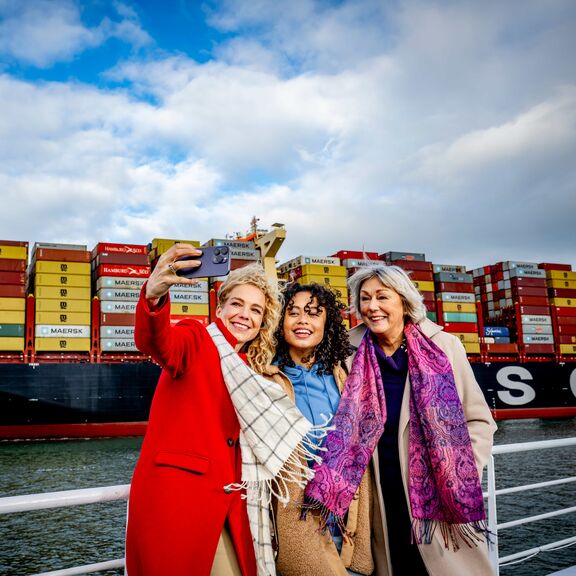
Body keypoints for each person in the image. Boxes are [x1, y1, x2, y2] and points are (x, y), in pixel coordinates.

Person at [125, 245, 322, 576]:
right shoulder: (196, 338)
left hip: (233, 506)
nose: (244, 314)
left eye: (256, 310)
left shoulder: (255, 370)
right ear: (220, 308)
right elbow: (157, 342)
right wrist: (153, 297)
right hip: (178, 503)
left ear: (263, 322)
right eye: (237, 304)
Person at [304, 265, 497, 576]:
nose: (372, 307)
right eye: (364, 298)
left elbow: (479, 420)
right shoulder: (346, 350)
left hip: (438, 498)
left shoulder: (444, 346)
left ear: (404, 300)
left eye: (382, 297)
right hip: (378, 498)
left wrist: (459, 470)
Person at [272, 283, 374, 576]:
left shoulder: (343, 376)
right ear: (280, 322)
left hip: (347, 521)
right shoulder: (265, 377)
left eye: (314, 314)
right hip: (297, 522)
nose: (303, 320)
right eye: (293, 313)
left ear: (327, 324)